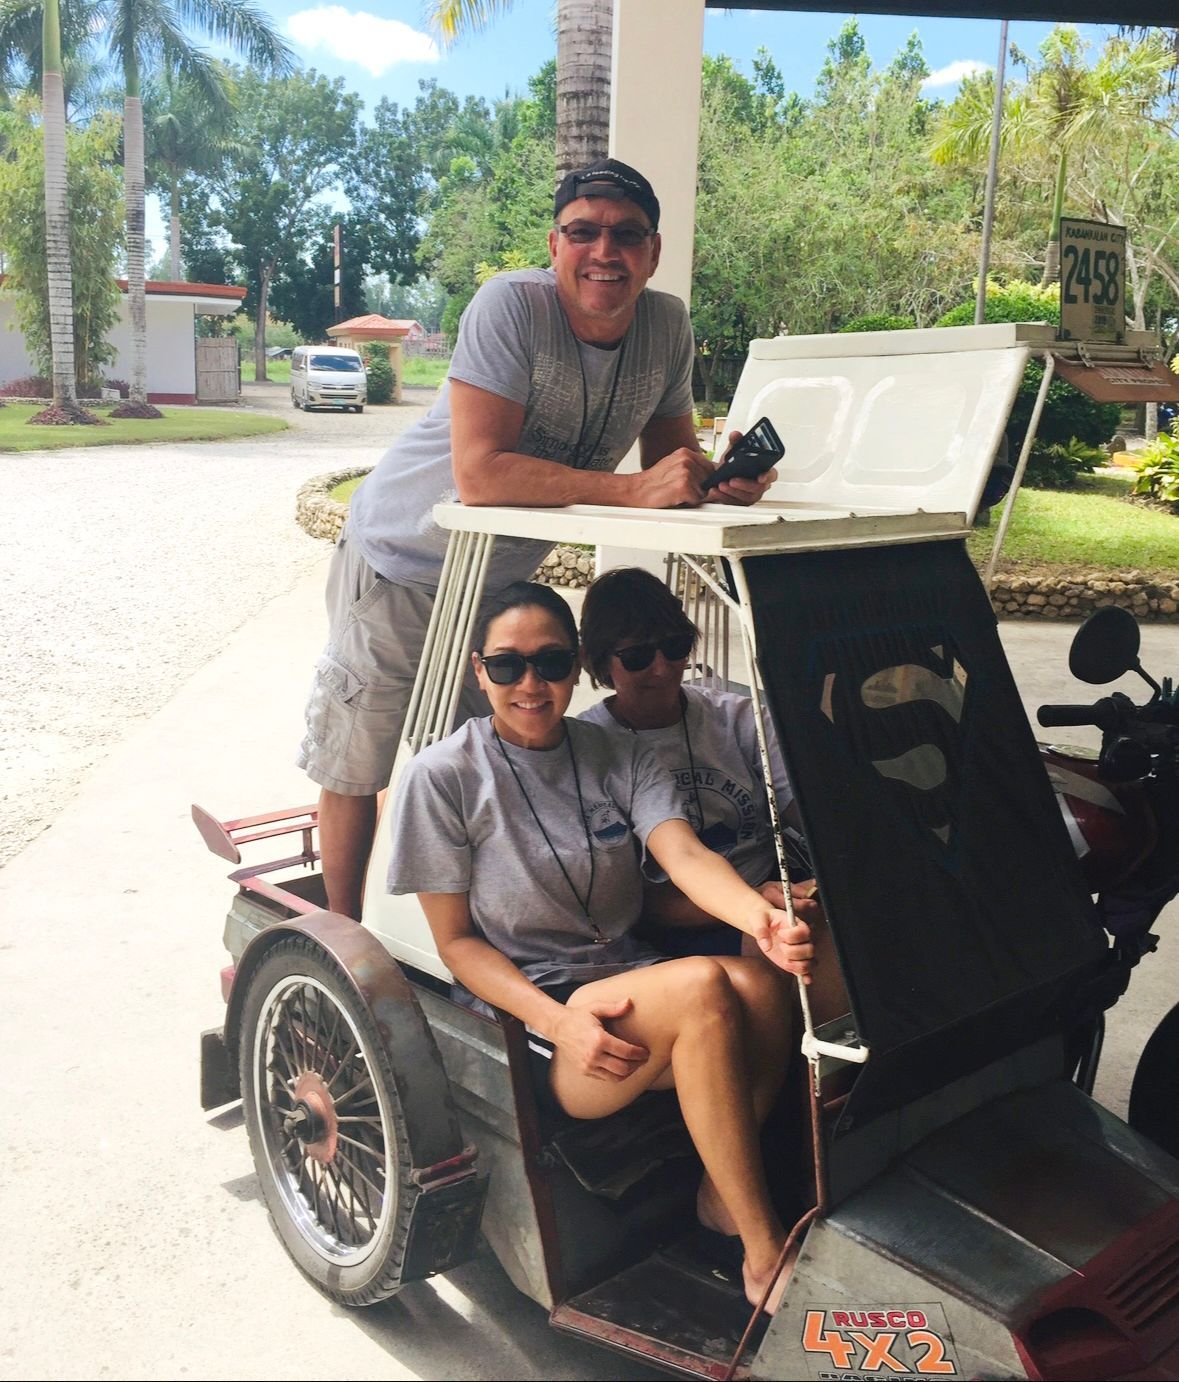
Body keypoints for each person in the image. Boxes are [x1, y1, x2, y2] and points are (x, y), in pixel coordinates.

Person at [297, 159, 775, 921]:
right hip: (401, 557)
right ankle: (341, 934)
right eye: (582, 232)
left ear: (653, 252)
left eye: (627, 235)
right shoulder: (511, 306)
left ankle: (462, 940)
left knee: (482, 763)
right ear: (554, 245)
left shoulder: (666, 326)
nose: (604, 252)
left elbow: (666, 464)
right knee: (360, 758)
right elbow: (480, 475)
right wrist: (633, 489)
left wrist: (715, 479)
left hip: (490, 583)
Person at [388, 582, 812, 1314]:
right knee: (704, 988)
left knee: (763, 982)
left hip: (629, 975)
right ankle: (760, 1247)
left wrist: (759, 915)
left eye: (550, 662)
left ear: (575, 664)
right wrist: (558, 1023)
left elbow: (682, 854)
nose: (530, 684)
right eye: (507, 665)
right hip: (540, 1012)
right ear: (478, 670)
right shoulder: (444, 777)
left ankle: (721, 1195)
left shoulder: (616, 753)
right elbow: (455, 943)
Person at [578, 567, 846, 1024]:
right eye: (637, 657)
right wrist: (756, 903)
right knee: (788, 933)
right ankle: (814, 1061)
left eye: (675, 647)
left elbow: (809, 812)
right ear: (600, 662)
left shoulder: (736, 718)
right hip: (669, 916)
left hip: (767, 890)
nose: (662, 668)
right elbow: (636, 900)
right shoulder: (591, 748)